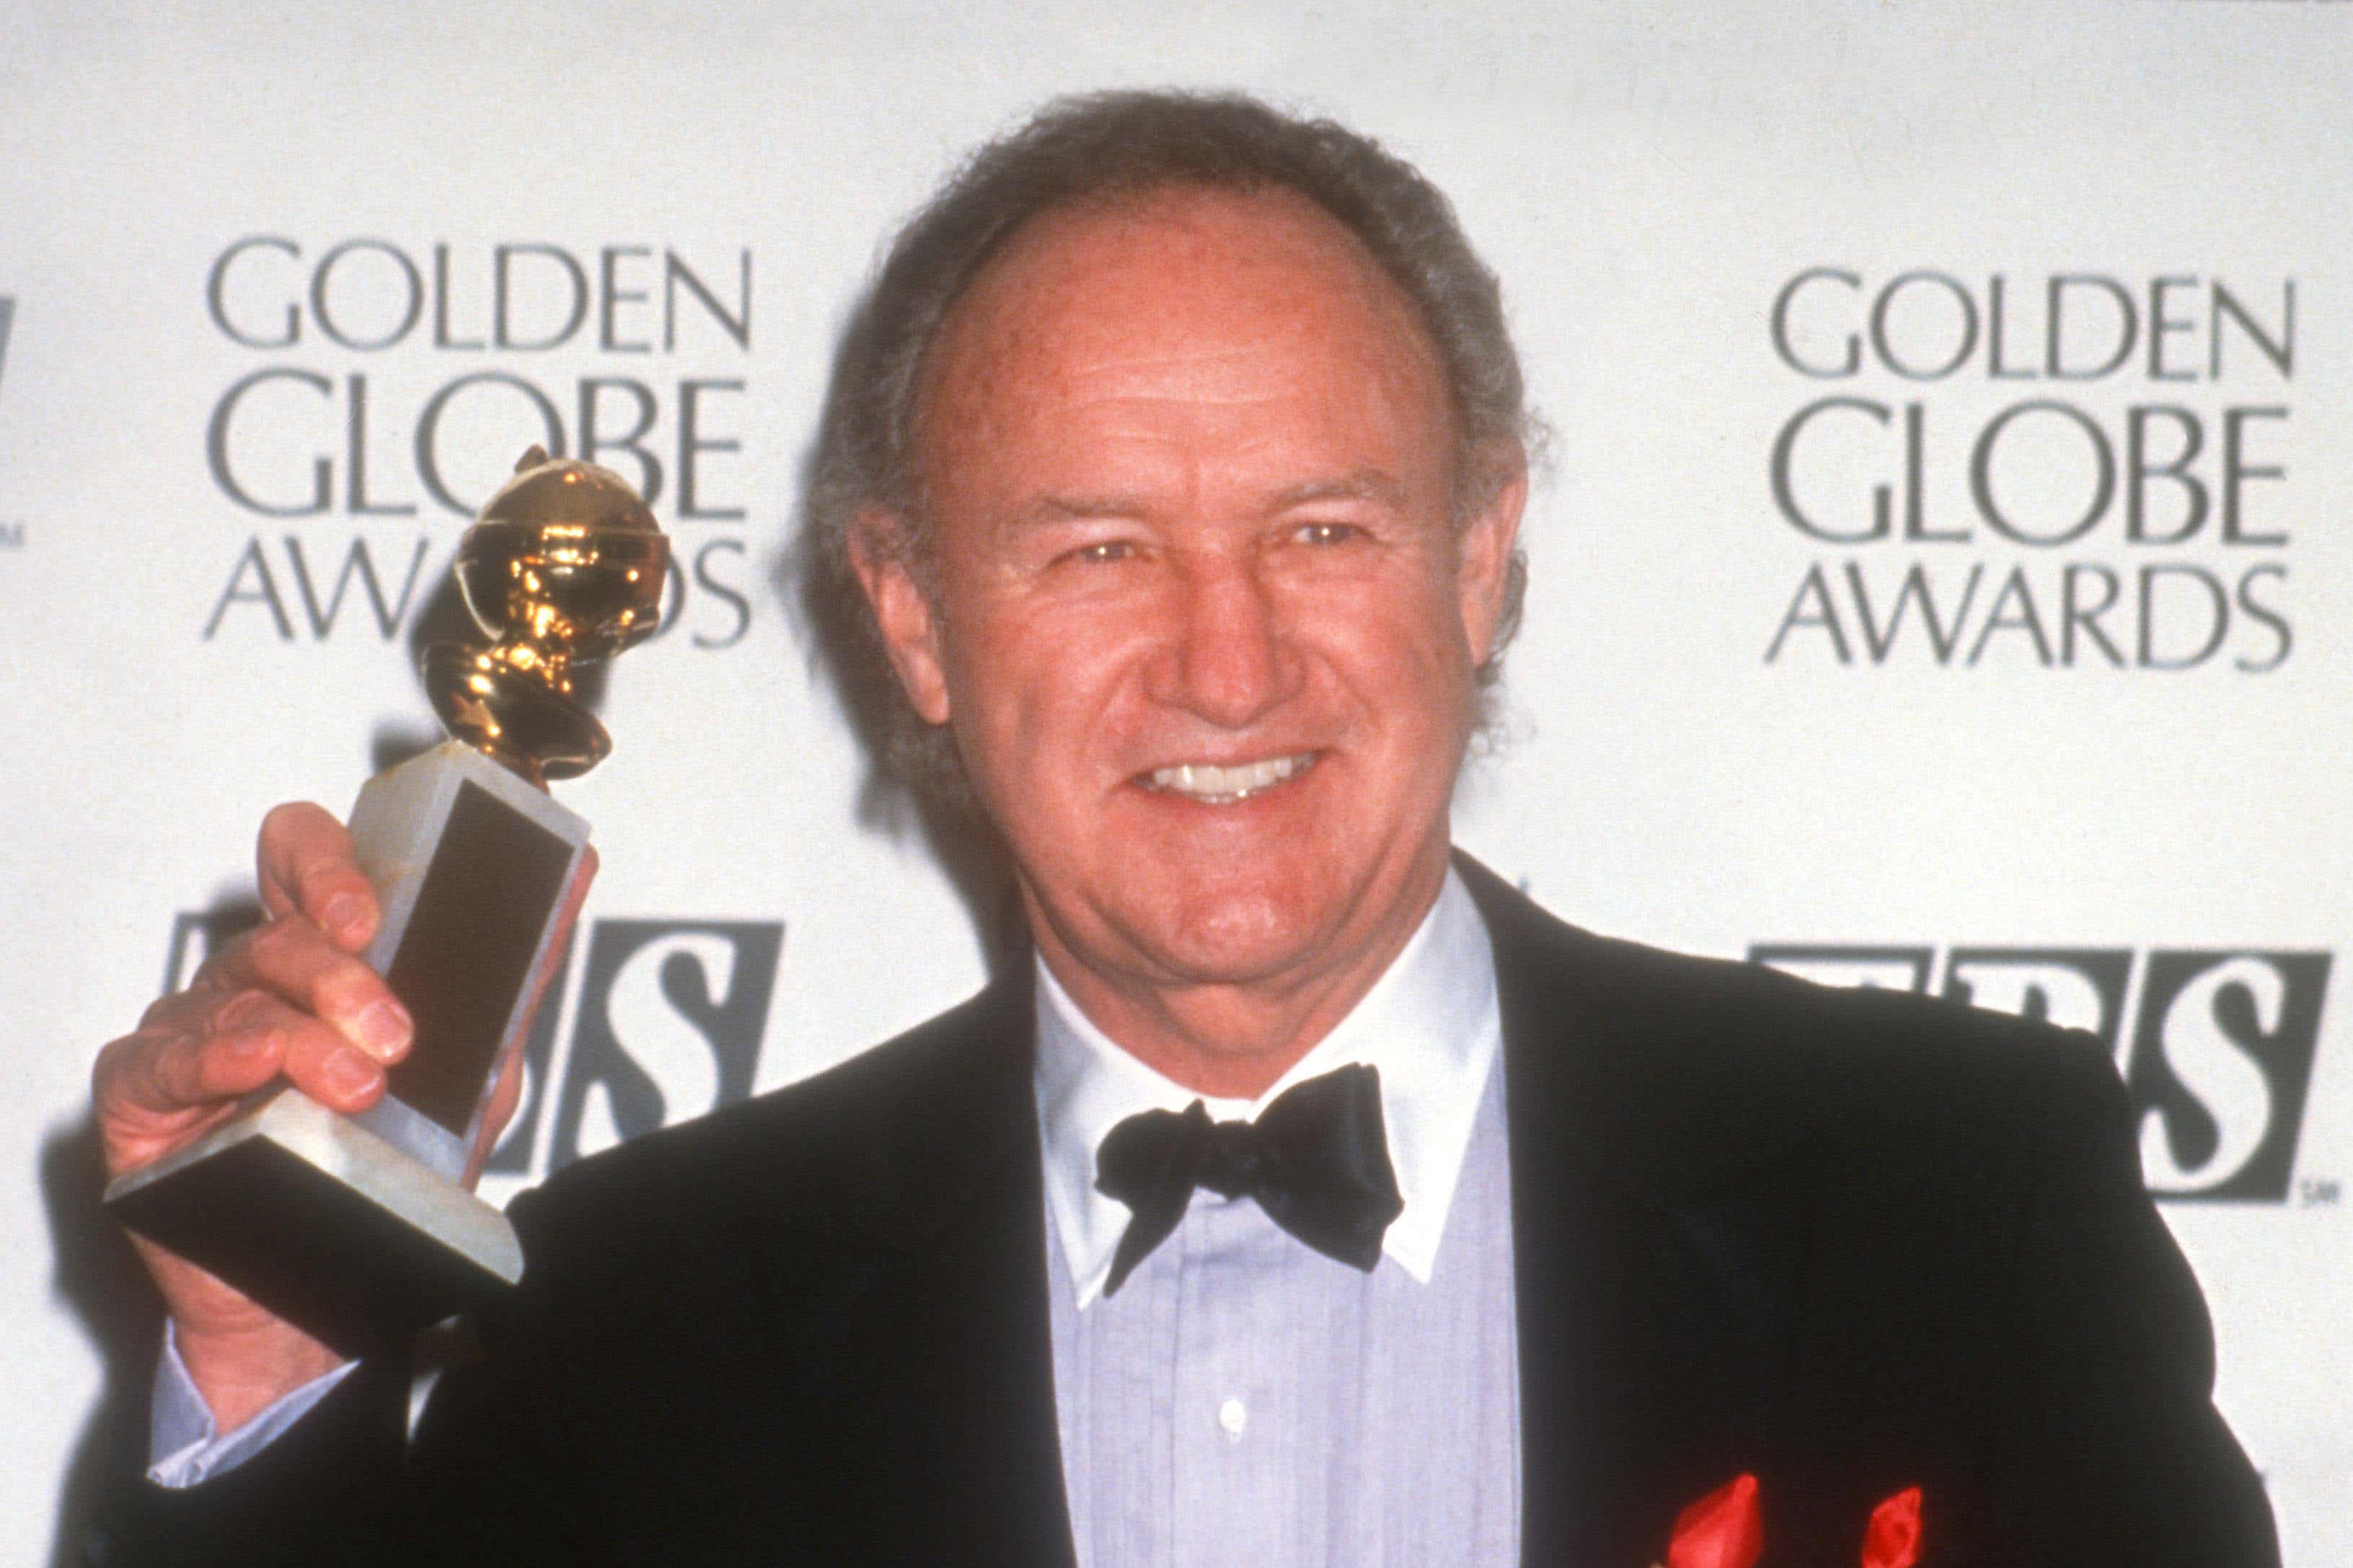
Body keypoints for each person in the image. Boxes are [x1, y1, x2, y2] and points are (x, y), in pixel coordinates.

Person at [88, 92, 2277, 1567]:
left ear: (1481, 556)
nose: (1229, 667)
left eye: (1322, 526)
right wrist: (268, 1378)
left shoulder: (1946, 1197)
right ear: (914, 622)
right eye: (1096, 551)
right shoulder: (643, 1322)